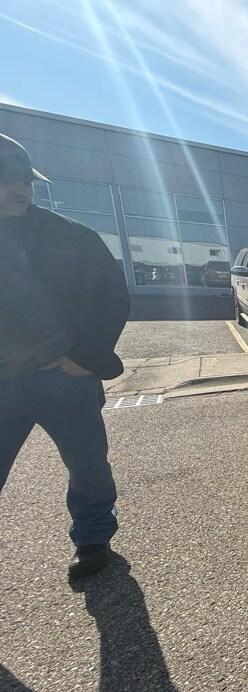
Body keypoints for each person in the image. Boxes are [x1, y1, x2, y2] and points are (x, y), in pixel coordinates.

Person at [0, 133, 129, 581]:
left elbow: (112, 296)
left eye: (24, 179)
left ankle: (94, 540)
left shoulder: (70, 237)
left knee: (88, 465)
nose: (18, 187)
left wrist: (86, 358)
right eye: (5, 178)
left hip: (63, 377)